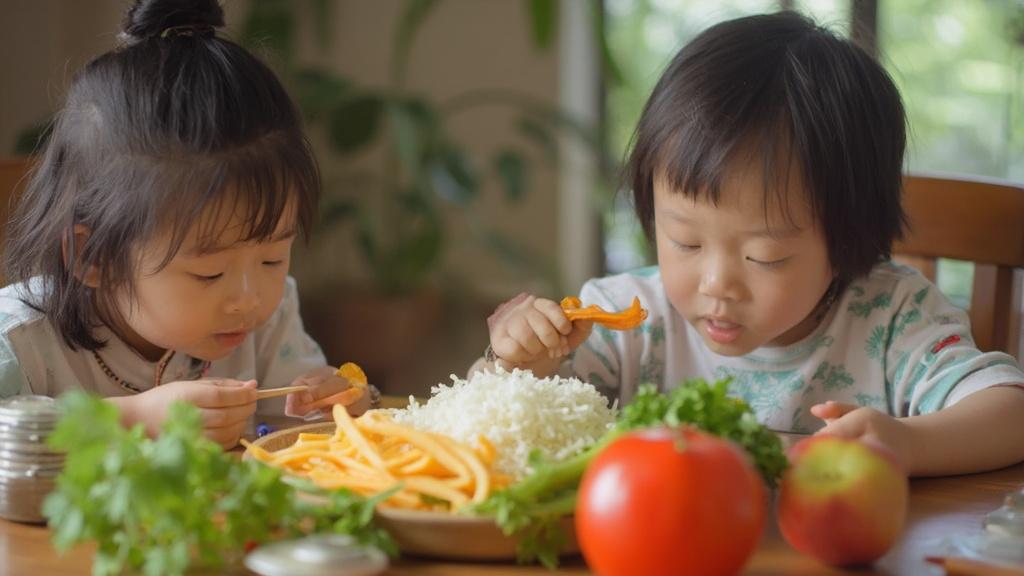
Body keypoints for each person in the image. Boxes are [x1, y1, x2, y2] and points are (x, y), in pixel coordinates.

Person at [475, 11, 1024, 476]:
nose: (717, 285)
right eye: (685, 242)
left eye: (765, 256)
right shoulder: (626, 321)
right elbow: (494, 422)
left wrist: (908, 444)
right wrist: (514, 363)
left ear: (848, 237)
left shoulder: (893, 318)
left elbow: (1010, 415)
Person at [0, 0, 371, 448]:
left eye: (273, 258)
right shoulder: (22, 341)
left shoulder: (268, 322)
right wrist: (132, 416)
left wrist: (336, 401)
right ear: (90, 255)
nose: (249, 298)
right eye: (209, 273)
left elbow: (300, 434)